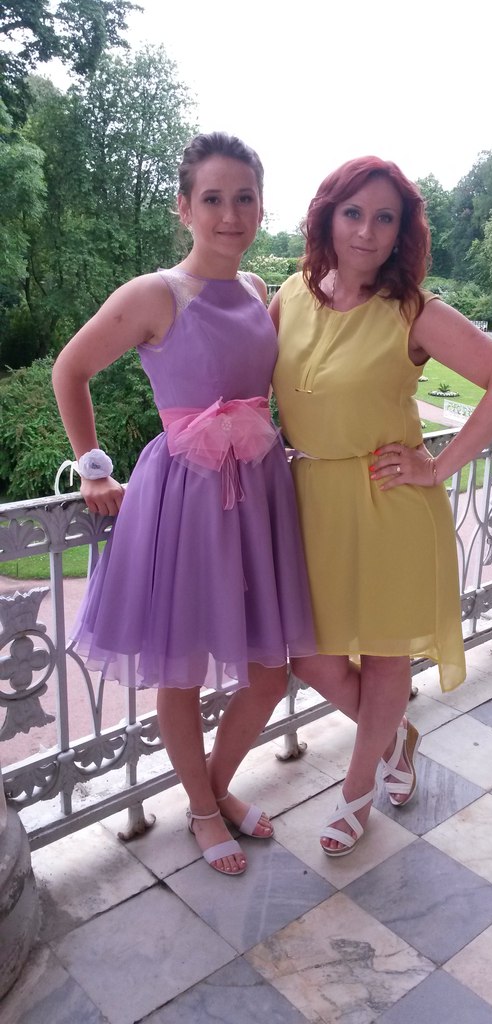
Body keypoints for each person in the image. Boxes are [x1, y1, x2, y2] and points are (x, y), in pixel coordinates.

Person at [52, 131, 316, 876]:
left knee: (269, 670)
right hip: (184, 499)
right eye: (213, 198)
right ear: (184, 208)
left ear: (261, 207)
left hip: (258, 496)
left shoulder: (258, 290)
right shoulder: (155, 293)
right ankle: (202, 809)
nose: (230, 214)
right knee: (182, 669)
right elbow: (71, 370)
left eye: (245, 198)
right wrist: (93, 469)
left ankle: (215, 787)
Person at [270, 156, 492, 857]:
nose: (366, 231)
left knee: (386, 659)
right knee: (310, 656)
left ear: (401, 232)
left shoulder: (413, 311)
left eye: (384, 218)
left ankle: (356, 793)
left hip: (389, 504)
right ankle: (394, 737)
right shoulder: (289, 295)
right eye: (353, 213)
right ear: (327, 216)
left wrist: (438, 465)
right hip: (311, 504)